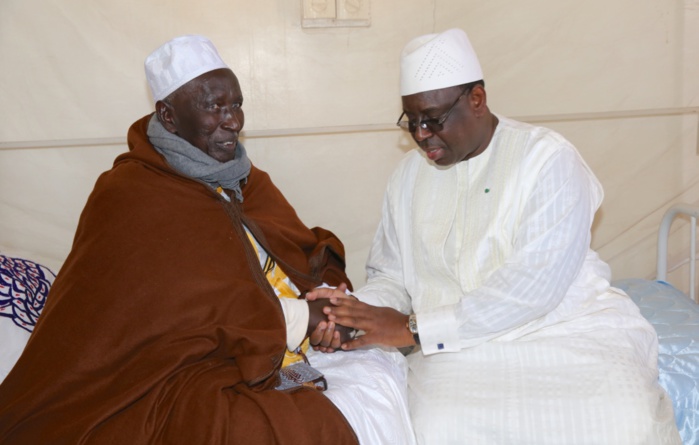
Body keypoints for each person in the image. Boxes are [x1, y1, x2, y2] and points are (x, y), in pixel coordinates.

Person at [0, 35, 414, 444]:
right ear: (167, 115)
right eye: (213, 106)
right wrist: (302, 319)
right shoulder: (127, 194)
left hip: (276, 338)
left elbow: (299, 250)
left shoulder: (245, 178)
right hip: (177, 363)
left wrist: (328, 299)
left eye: (236, 104)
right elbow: (164, 313)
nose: (232, 120)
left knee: (378, 364)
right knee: (250, 428)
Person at [307, 28, 682, 444]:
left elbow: (534, 286)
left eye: (432, 119)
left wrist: (414, 329)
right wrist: (351, 314)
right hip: (461, 351)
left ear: (477, 100)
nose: (420, 135)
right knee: (439, 427)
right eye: (411, 122)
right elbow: (394, 277)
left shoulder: (547, 159)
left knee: (624, 419)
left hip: (567, 332)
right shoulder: (409, 178)